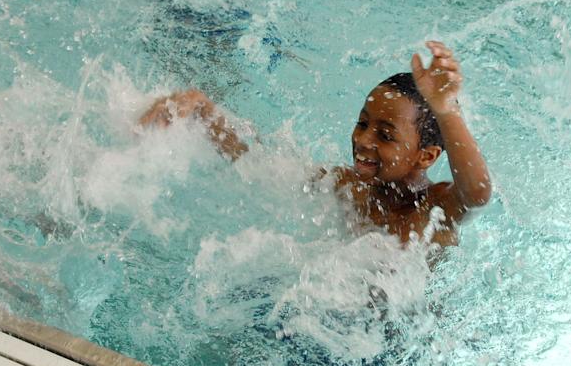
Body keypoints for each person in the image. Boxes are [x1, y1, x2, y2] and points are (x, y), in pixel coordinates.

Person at [137, 41, 492, 247]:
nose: (363, 140)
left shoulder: (434, 211)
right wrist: (204, 111)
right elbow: (259, 164)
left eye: (385, 135)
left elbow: (476, 191)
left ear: (426, 155)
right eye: (362, 124)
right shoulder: (348, 186)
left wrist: (446, 111)